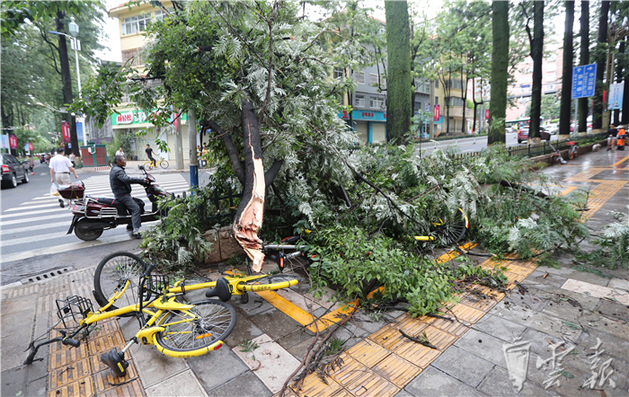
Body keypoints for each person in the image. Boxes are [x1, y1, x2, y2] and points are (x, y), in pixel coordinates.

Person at [110, 155, 149, 239]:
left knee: (140, 203)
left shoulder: (116, 169)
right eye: (123, 160)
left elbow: (125, 179)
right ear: (118, 162)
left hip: (123, 193)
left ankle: (130, 225)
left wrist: (138, 178)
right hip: (122, 195)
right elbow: (126, 179)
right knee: (136, 209)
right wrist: (140, 180)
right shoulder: (118, 170)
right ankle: (136, 231)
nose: (125, 161)